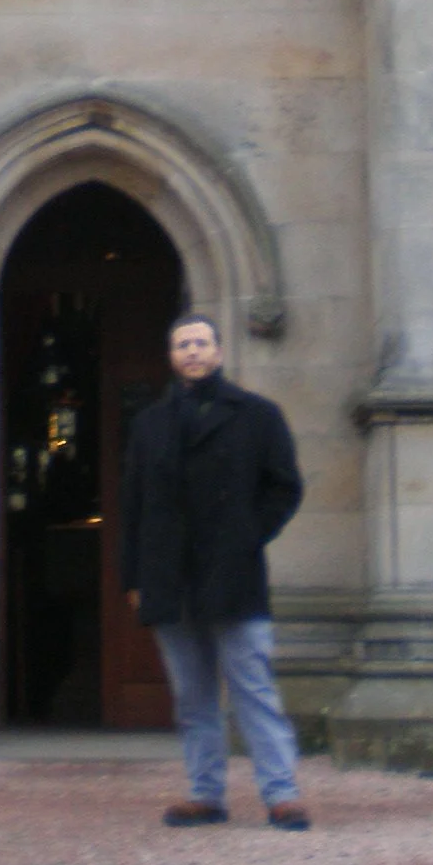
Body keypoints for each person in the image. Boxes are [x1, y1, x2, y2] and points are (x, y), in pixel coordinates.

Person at [119, 311, 309, 829]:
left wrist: (247, 535)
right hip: (169, 575)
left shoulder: (257, 415)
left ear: (219, 352)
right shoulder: (149, 424)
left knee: (253, 688)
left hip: (233, 573)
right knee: (192, 697)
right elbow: (133, 506)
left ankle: (281, 791)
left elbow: (284, 486)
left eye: (201, 343)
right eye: (183, 345)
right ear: (172, 356)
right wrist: (133, 577)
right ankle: (205, 792)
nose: (193, 352)